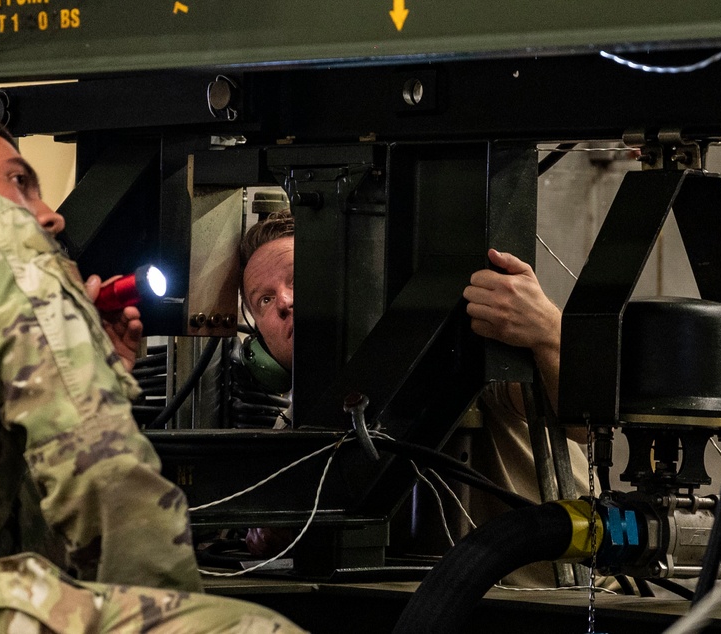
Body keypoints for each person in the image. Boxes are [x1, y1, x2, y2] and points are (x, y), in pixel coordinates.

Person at [0, 105, 304, 633]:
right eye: (19, 181)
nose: (50, 215)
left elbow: (26, 547)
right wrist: (175, 608)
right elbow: (103, 478)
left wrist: (101, 372)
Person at [238, 210, 590, 585]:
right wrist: (274, 530)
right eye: (264, 300)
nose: (285, 302)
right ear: (261, 344)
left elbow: (585, 423)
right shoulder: (293, 429)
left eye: (298, 279)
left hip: (562, 599)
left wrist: (549, 332)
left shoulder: (462, 353)